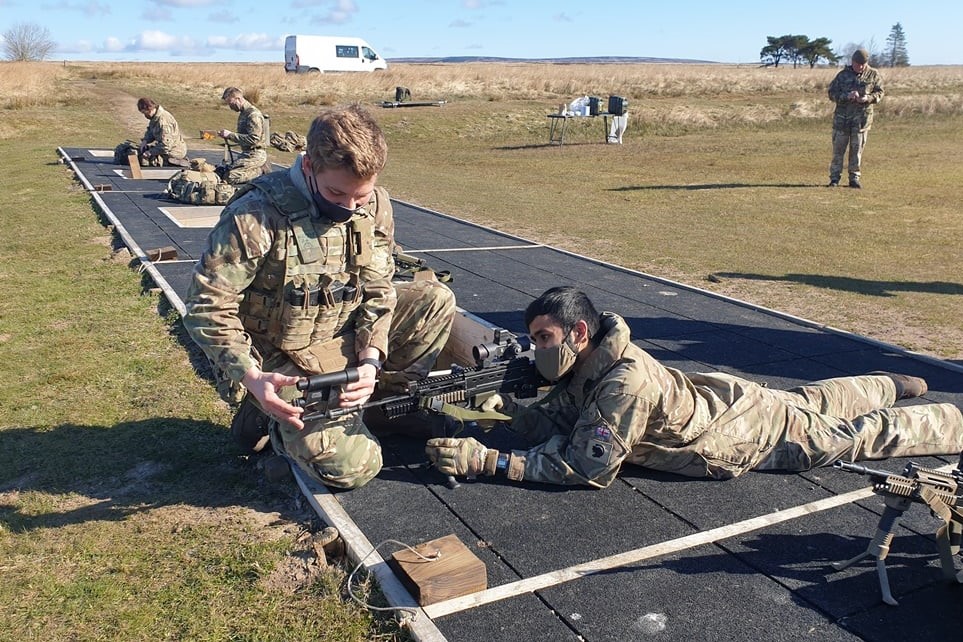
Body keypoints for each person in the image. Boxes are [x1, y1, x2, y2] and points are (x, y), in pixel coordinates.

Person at [426, 286, 963, 488]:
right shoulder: (589, 362)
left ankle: (944, 417)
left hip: (740, 437)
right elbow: (556, 416)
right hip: (728, 400)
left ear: (580, 332)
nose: (536, 349)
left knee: (850, 436)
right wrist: (495, 415)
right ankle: (890, 380)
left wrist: (492, 462)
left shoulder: (622, 385)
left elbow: (589, 469)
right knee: (809, 399)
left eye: (543, 338)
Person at [183, 105, 456, 489]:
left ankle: (384, 406)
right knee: (355, 467)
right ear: (309, 165)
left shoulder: (374, 205)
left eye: (359, 197)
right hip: (281, 356)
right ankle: (269, 423)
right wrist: (252, 376)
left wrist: (371, 362)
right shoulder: (257, 215)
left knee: (435, 298)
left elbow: (378, 288)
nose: (348, 208)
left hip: (341, 334)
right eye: (336, 193)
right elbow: (206, 306)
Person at [827, 48, 884, 189]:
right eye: (858, 64)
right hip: (842, 120)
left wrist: (868, 98)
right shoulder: (842, 75)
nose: (861, 67)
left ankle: (854, 178)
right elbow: (831, 93)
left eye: (864, 64)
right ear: (852, 62)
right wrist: (846, 96)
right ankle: (834, 178)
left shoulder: (873, 74)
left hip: (861, 122)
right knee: (838, 151)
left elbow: (880, 92)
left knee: (857, 151)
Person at [217, 87, 268, 185]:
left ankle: (260, 171)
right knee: (223, 171)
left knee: (230, 177)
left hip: (255, 154)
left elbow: (254, 139)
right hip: (246, 153)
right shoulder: (244, 113)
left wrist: (230, 135)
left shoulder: (253, 115)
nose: (230, 107)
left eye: (231, 103)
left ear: (238, 99)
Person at [136, 97, 188, 167]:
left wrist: (150, 152)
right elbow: (151, 131)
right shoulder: (155, 118)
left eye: (144, 112)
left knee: (153, 161)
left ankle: (178, 162)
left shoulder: (163, 122)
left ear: (149, 109)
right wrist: (145, 141)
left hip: (174, 151)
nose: (145, 115)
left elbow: (166, 146)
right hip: (165, 148)